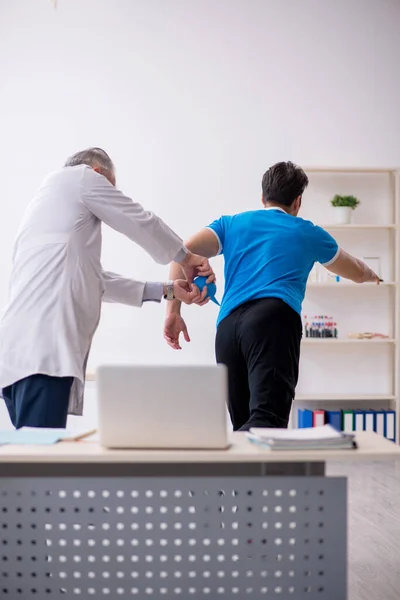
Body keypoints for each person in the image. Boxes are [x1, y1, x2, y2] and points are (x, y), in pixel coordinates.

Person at [0, 147, 214, 429]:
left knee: (33, 459)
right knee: (42, 462)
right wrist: (186, 257)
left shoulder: (44, 210)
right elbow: (139, 220)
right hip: (44, 356)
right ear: (98, 173)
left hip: (18, 357)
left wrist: (169, 290)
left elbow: (96, 281)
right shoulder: (82, 179)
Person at [164, 161, 380, 431]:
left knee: (245, 427)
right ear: (298, 201)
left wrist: (173, 312)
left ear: (263, 197)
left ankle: (226, 468)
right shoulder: (308, 232)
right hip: (272, 322)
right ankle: (206, 465)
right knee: (267, 424)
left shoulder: (231, 224)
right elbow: (357, 271)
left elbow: (179, 251)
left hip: (228, 330)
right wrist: (374, 276)